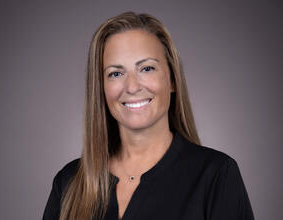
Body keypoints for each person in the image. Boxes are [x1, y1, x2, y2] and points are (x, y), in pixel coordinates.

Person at [43, 12, 254, 220]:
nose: (132, 86)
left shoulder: (216, 174)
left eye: (147, 68)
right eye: (116, 73)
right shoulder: (69, 182)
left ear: (172, 79)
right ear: (101, 88)